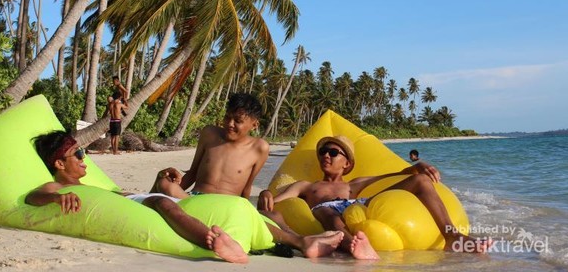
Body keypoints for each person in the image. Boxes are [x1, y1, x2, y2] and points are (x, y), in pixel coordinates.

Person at [25, 131, 249, 263]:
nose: (85, 158)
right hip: (144, 203)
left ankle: (285, 237)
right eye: (79, 153)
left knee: (244, 210)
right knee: (159, 201)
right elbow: (32, 197)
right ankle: (211, 241)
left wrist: (157, 181)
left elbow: (131, 199)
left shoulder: (87, 185)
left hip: (138, 199)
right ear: (59, 163)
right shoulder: (57, 186)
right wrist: (55, 199)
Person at [258, 135, 492, 259]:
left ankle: (452, 236)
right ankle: (353, 247)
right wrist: (268, 192)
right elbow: (278, 199)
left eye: (332, 152)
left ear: (347, 163)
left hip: (358, 205)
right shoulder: (307, 186)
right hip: (327, 212)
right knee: (324, 210)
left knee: (420, 181)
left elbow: (397, 174)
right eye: (322, 152)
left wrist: (420, 165)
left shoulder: (356, 184)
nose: (325, 156)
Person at [180, 93, 344, 258]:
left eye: (238, 121)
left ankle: (299, 239)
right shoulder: (210, 134)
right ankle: (300, 242)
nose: (230, 124)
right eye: (227, 117)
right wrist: (172, 187)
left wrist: (255, 206)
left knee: (273, 215)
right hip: (199, 196)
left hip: (231, 203)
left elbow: (246, 188)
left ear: (254, 124)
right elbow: (192, 173)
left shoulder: (259, 148)